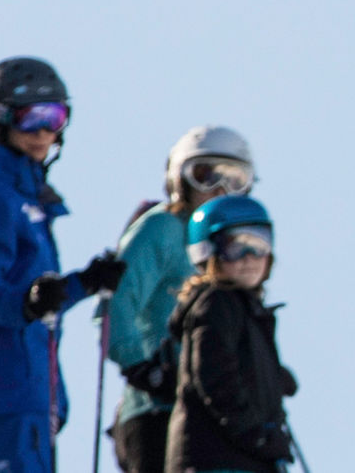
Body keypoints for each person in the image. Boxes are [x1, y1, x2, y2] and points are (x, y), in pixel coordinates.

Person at [0, 56, 127, 473]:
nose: (44, 131)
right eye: (31, 118)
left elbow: (38, 293)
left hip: (35, 383)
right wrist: (25, 303)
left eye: (56, 118)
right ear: (1, 117)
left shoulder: (25, 185)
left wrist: (84, 283)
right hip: (5, 380)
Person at [106, 126, 256, 472]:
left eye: (234, 180)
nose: (219, 190)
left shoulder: (235, 250)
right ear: (181, 180)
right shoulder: (165, 229)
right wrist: (139, 367)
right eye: (205, 176)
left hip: (206, 414)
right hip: (156, 408)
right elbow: (119, 299)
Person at [166, 195, 298, 473]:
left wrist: (271, 379)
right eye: (236, 247)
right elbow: (214, 376)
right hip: (217, 460)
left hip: (246, 460)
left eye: (259, 245)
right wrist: (257, 436)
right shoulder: (217, 302)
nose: (249, 259)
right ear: (208, 251)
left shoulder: (248, 309)